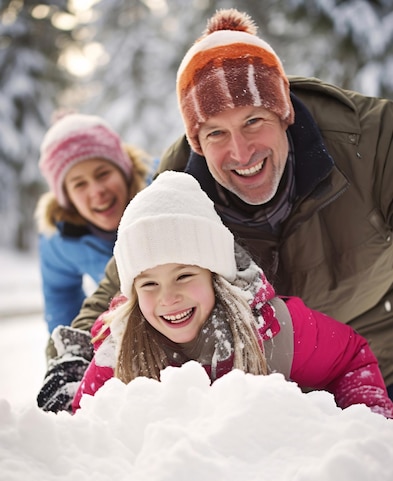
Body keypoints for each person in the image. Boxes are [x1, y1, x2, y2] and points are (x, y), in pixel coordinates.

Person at [37, 8, 393, 411]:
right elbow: (125, 284)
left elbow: (350, 361)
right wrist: (73, 359)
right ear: (198, 142)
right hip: (263, 380)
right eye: (217, 133)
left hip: (375, 362)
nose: (241, 152)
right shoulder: (179, 185)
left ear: (284, 114)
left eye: (254, 121)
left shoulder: (373, 142)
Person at [67, 171, 393, 418]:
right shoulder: (122, 350)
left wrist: (370, 427)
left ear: (216, 277)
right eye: (149, 284)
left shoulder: (274, 329)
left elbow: (349, 359)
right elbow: (84, 425)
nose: (168, 297)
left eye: (184, 275)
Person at [35, 112, 154, 335]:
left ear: (125, 171)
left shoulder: (161, 191)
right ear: (67, 197)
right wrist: (66, 357)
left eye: (103, 174)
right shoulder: (60, 238)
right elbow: (61, 301)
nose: (97, 191)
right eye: (79, 184)